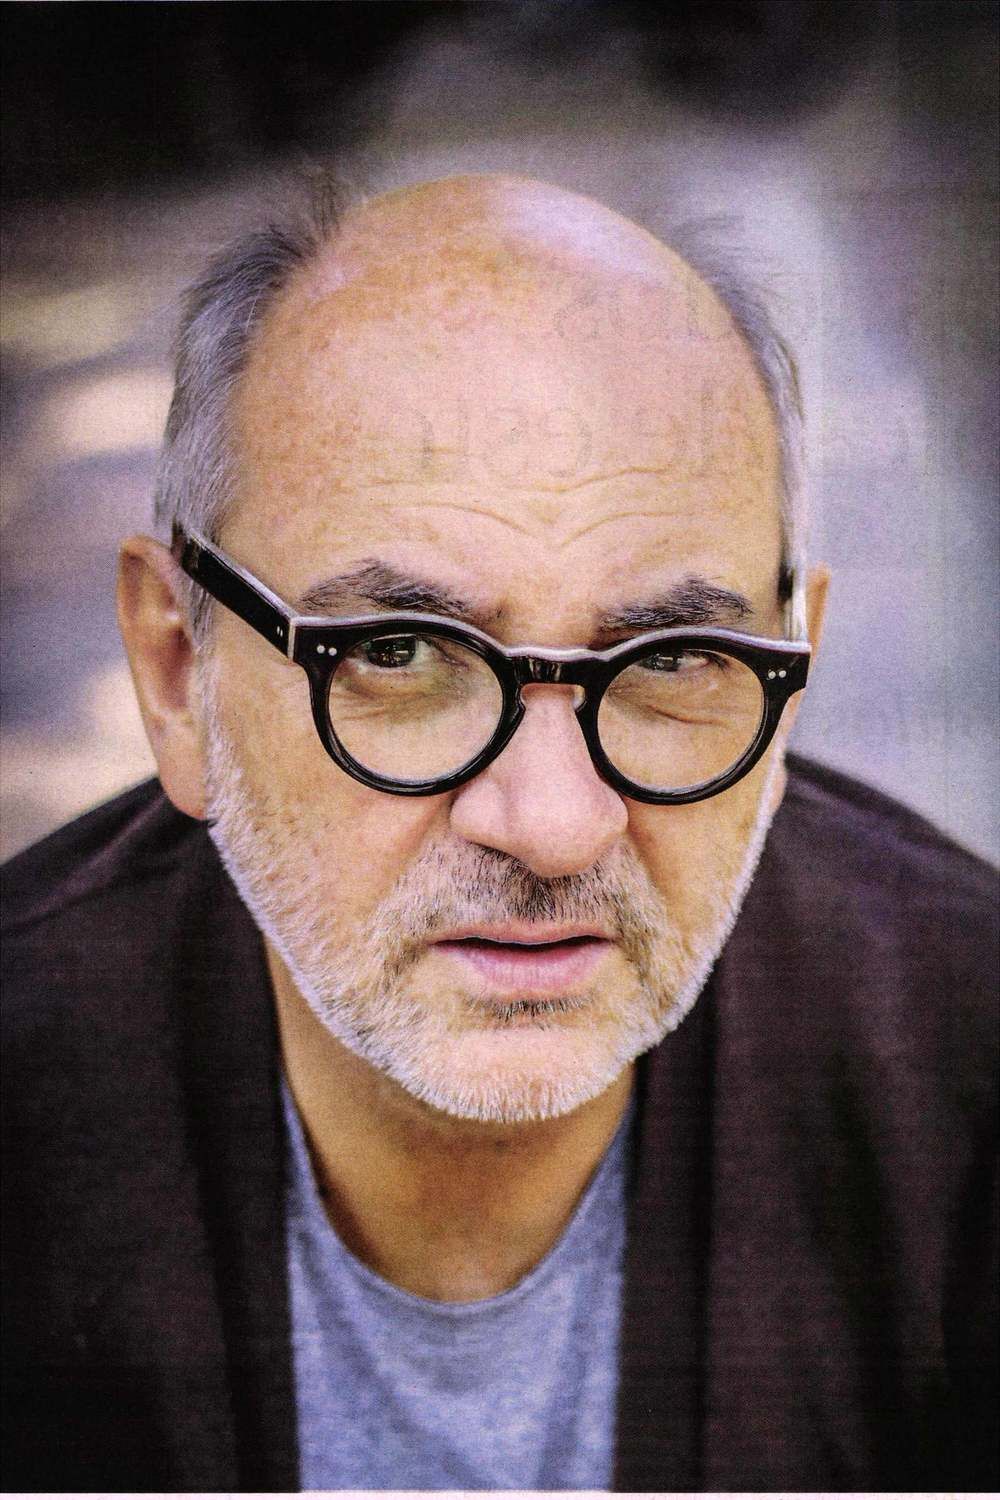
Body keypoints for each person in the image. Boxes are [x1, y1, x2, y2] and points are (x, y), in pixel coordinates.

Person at [2, 173, 996, 1493]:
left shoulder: (967, 1076)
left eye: (673, 660)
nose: (554, 826)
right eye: (398, 652)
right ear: (180, 672)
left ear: (791, 674)